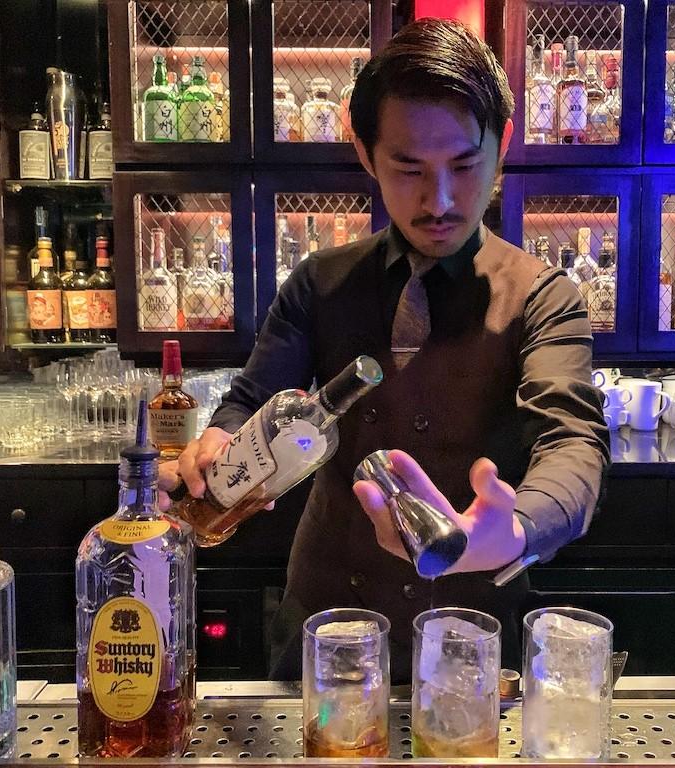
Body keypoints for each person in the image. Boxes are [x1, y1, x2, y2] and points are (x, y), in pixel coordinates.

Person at [159, 18, 609, 682]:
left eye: (465, 165)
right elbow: (251, 401)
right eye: (408, 168)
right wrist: (219, 443)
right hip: (328, 629)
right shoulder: (319, 282)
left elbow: (573, 442)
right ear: (365, 154)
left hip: (473, 640)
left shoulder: (545, 298)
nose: (440, 200)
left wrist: (516, 528)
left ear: (504, 144)